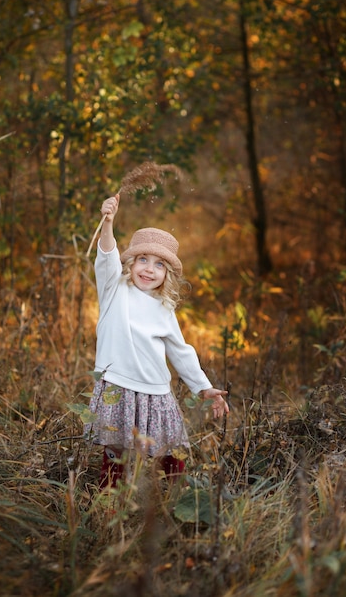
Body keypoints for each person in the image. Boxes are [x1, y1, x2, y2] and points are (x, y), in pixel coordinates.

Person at [85, 194, 229, 488]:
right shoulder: (115, 289)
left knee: (171, 453)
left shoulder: (164, 308)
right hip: (119, 387)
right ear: (131, 263)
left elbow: (181, 351)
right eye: (142, 260)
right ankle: (109, 505)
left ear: (168, 275)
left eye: (159, 265)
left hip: (156, 392)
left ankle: (175, 498)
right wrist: (109, 223)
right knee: (116, 455)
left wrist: (203, 388)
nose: (149, 269)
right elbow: (106, 257)